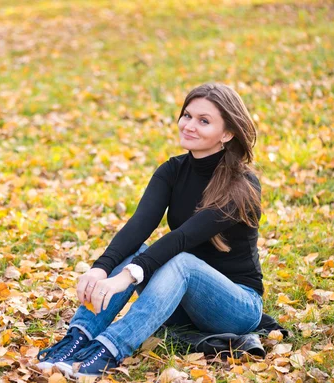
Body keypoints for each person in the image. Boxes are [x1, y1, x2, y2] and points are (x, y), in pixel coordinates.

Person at [36, 83, 264, 378]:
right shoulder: (171, 171)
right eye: (187, 115)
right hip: (178, 299)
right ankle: (78, 337)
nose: (189, 126)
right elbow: (138, 227)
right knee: (136, 250)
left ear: (227, 133)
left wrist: (127, 276)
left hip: (236, 306)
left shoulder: (242, 185)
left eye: (204, 121)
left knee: (182, 261)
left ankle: (108, 349)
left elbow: (183, 237)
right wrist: (100, 269)